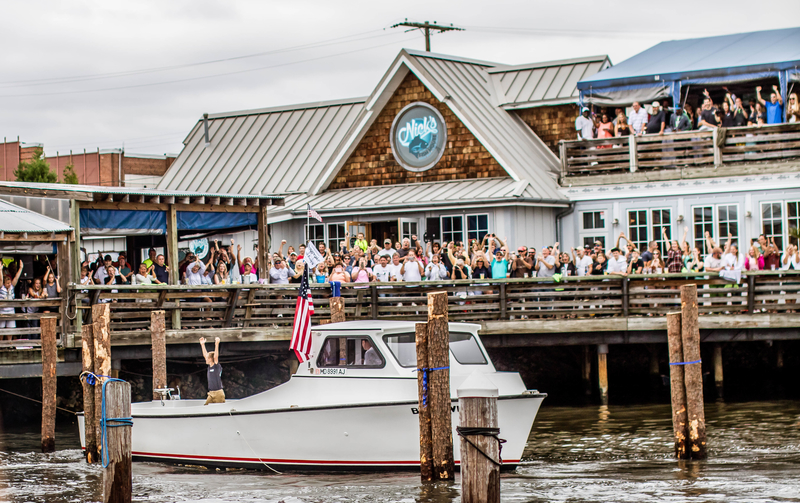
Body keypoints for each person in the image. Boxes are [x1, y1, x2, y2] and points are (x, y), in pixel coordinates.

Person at [0, 260, 22, 337]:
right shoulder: (1, 287)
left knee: (11, 329)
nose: (9, 284)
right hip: (2, 311)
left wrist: (20, 268)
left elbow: (16, 277)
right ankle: (2, 346)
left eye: (10, 283)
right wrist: (0, 269)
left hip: (11, 311)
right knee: (1, 329)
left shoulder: (12, 287)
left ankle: (9, 345)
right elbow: (1, 279)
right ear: (4, 283)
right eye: (8, 283)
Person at [199, 337, 224, 404]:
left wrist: (217, 344)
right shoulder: (209, 367)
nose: (206, 359)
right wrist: (202, 345)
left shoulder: (216, 366)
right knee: (206, 406)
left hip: (218, 392)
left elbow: (215, 356)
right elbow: (205, 355)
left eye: (207, 358)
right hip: (211, 393)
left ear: (210, 359)